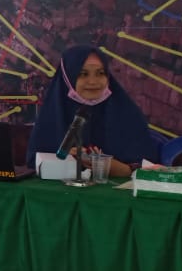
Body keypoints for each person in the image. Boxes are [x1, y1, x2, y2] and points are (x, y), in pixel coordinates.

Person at [26, 44, 157, 176]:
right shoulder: (52, 116)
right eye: (83, 74)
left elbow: (151, 170)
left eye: (100, 73)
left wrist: (117, 168)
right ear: (67, 78)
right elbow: (34, 164)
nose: (93, 81)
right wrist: (63, 161)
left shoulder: (128, 114)